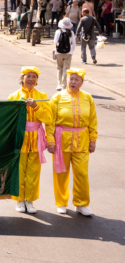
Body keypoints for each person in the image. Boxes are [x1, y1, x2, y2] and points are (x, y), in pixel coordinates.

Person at [46, 69, 97, 217]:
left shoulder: (88, 98)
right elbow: (50, 122)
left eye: (76, 79)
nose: (73, 82)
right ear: (66, 80)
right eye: (71, 79)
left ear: (82, 82)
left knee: (81, 173)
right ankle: (61, 202)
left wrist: (93, 139)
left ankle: (81, 204)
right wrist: (51, 140)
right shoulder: (57, 98)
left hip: (82, 140)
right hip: (62, 140)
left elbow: (92, 121)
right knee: (61, 172)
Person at [7, 66, 52, 214]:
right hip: (19, 139)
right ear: (22, 78)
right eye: (28, 76)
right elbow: (7, 119)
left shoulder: (42, 95)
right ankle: (19, 200)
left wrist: (36, 106)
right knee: (19, 172)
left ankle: (30, 201)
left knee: (33, 173)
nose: (31, 79)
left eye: (34, 77)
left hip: (36, 140)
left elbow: (49, 119)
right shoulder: (14, 96)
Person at [54, 18, 76, 91]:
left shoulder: (58, 31)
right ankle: (64, 86)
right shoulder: (71, 32)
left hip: (58, 52)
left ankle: (59, 84)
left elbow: (55, 42)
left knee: (59, 68)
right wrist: (71, 52)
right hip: (68, 53)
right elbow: (73, 43)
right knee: (66, 69)